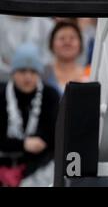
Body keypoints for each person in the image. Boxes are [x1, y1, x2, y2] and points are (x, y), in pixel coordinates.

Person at [0, 44, 60, 187]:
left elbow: (54, 133)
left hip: (38, 165)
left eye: (33, 71)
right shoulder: (1, 94)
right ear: (13, 72)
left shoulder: (49, 95)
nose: (28, 77)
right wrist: (23, 144)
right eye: (22, 71)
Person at [0, 16, 54, 82]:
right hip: (3, 78)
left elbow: (49, 57)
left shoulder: (46, 24)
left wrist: (33, 70)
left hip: (39, 79)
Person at [43, 22, 89, 95]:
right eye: (62, 38)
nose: (67, 42)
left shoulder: (89, 75)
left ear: (80, 44)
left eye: (72, 38)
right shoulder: (43, 74)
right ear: (51, 44)